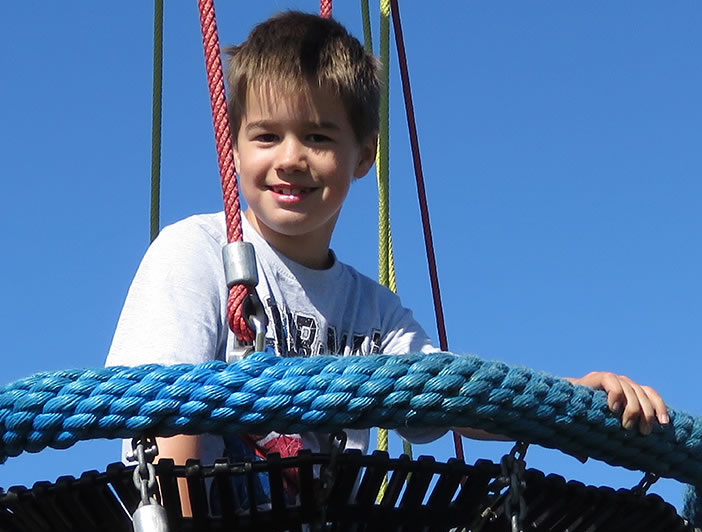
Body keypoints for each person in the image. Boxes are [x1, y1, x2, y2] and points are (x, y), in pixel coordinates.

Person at [106, 11, 669, 504]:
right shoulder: (196, 253)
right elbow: (157, 410)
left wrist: (568, 396)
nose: (291, 159)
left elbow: (455, 398)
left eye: (320, 138)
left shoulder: (373, 313)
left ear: (363, 156)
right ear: (234, 147)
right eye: (266, 136)